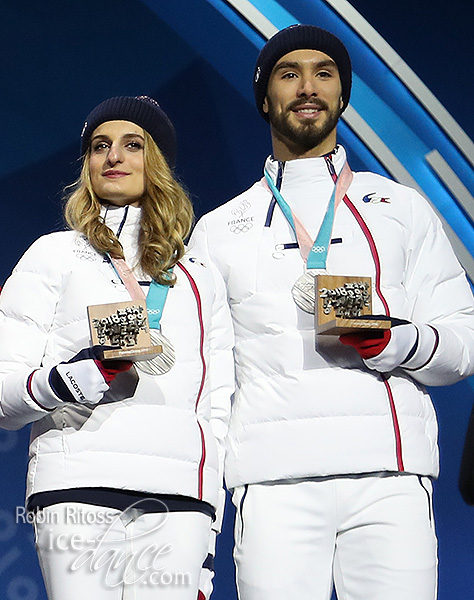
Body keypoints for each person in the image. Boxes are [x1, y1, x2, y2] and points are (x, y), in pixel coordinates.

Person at [189, 24, 474, 600]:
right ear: (264, 97)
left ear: (343, 94)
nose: (308, 87)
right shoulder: (218, 230)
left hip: (388, 473)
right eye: (288, 74)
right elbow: (205, 376)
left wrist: (397, 341)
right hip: (271, 483)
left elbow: (463, 336)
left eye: (324, 73)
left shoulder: (399, 206)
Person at [0, 95, 234, 600]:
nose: (114, 157)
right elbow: (3, 392)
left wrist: (209, 533)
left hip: (178, 500)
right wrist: (67, 380)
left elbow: (217, 412)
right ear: (85, 165)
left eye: (132, 145)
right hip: (77, 486)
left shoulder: (199, 277)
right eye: (100, 146)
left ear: (157, 163)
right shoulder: (52, 254)